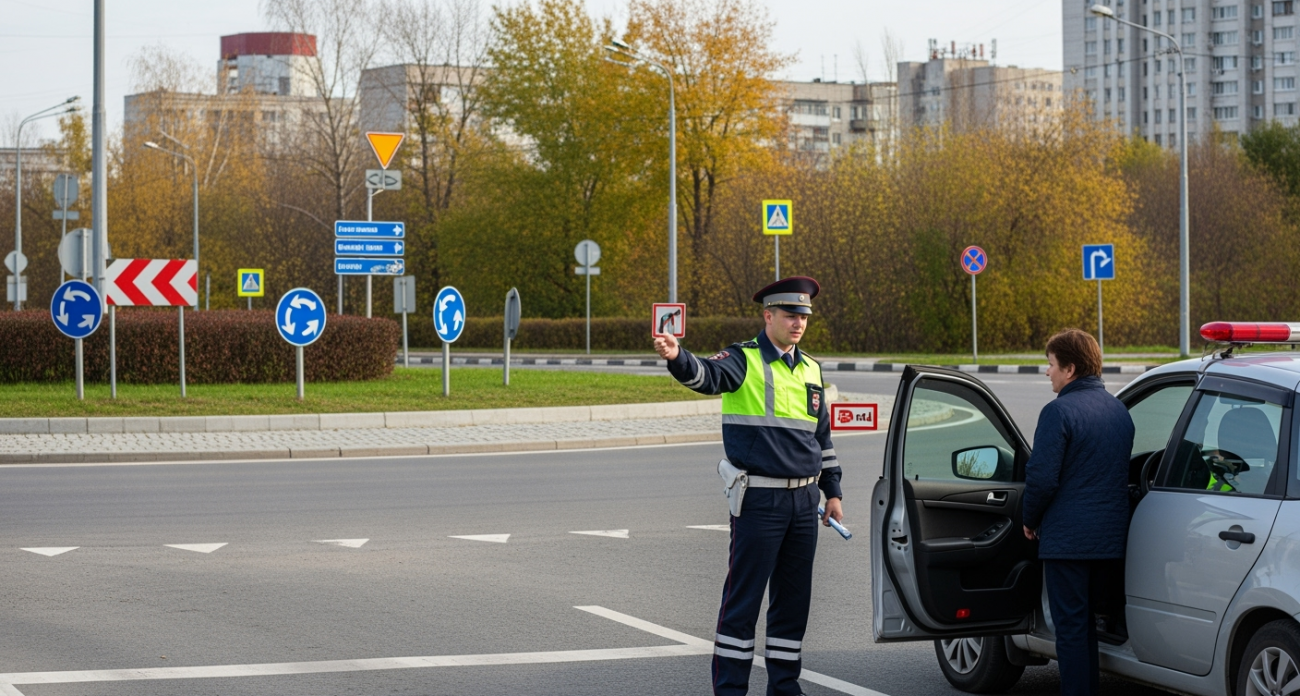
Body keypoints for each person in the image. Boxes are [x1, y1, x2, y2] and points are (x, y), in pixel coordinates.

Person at [652, 276, 842, 696]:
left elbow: (822, 438)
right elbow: (707, 375)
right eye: (791, 315)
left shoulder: (810, 368)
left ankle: (785, 688)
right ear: (768, 315)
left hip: (805, 500)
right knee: (743, 603)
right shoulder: (744, 358)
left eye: (804, 316)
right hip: (760, 499)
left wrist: (834, 492)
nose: (798, 323)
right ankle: (731, 689)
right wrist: (678, 357)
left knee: (792, 605)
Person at [1021, 328, 1134, 696]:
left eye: (1050, 364)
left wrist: (1030, 518)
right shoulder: (1119, 411)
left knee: (1071, 630)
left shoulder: (1058, 412)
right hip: (1111, 541)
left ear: (1069, 369)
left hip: (1068, 543)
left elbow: (1042, 479)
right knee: (1088, 627)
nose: (1047, 372)